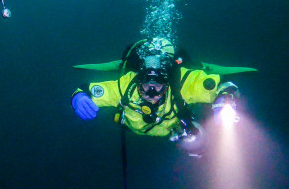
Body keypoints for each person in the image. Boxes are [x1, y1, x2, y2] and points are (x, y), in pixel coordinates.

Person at [71, 37, 244, 149]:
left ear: (167, 82)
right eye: (146, 84)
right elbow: (87, 90)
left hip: (171, 133)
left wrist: (225, 99)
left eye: (158, 85)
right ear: (139, 80)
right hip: (132, 134)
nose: (151, 93)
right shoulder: (126, 85)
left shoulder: (183, 82)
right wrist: (79, 97)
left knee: (197, 145)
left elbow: (223, 85)